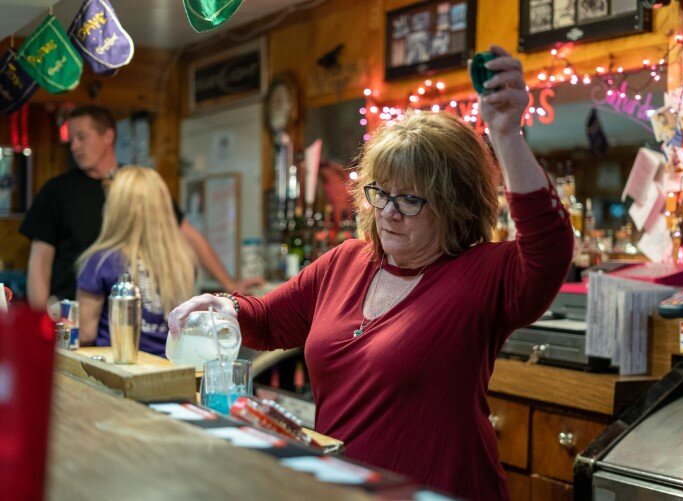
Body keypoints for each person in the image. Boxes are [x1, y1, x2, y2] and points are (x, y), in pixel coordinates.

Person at [169, 45, 574, 500]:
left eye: (411, 200)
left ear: (455, 207)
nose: (389, 212)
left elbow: (550, 247)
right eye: (380, 193)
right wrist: (219, 306)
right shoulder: (345, 262)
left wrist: (506, 134)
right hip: (343, 489)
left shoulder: (481, 274)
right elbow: (264, 319)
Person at [19, 105, 259, 310]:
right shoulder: (57, 190)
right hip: (76, 318)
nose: (74, 146)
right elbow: (39, 264)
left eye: (81, 137)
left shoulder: (139, 184)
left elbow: (189, 235)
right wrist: (42, 325)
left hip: (134, 314)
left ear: (108, 137)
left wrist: (229, 283)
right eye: (71, 139)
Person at [77, 166, 195, 356]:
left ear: (118, 211)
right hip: (170, 372)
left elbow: (84, 333)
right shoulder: (182, 260)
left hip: (120, 372)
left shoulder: (102, 261)